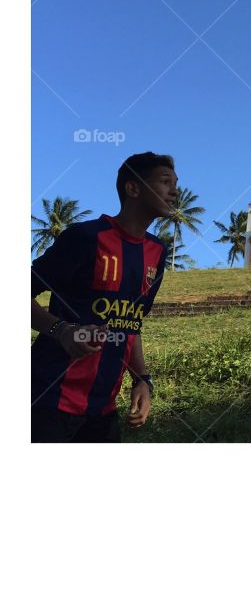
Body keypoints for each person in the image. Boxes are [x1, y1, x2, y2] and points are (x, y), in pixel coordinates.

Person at [31, 152, 177, 442]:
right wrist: (62, 332)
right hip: (47, 399)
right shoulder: (85, 238)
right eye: (165, 182)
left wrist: (142, 379)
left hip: (103, 410)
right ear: (132, 188)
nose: (175, 191)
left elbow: (131, 325)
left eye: (176, 183)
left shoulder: (157, 253)